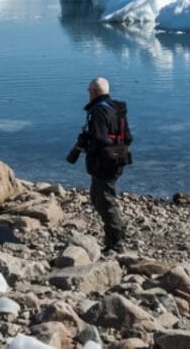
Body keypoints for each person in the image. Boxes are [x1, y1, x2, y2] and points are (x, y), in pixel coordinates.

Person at [69, 76, 133, 253]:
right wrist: (117, 149)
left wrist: (86, 149)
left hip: (104, 163)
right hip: (119, 159)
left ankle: (115, 241)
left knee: (103, 200)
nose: (88, 94)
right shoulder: (117, 109)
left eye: (89, 91)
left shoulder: (98, 111)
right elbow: (128, 137)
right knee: (100, 197)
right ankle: (117, 231)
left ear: (95, 92)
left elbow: (99, 138)